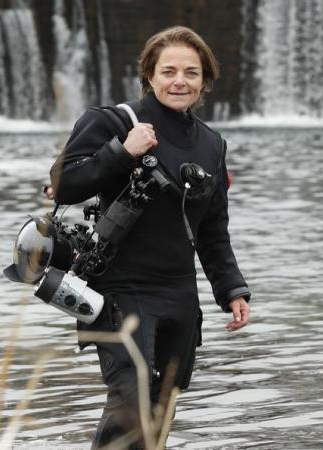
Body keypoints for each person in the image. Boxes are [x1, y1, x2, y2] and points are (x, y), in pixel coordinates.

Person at [49, 26, 250, 449]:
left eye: (192, 73)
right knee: (130, 400)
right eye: (169, 71)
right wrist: (123, 151)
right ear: (150, 76)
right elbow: (63, 184)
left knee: (163, 405)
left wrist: (231, 289)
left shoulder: (212, 145)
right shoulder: (113, 121)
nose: (180, 81)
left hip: (179, 293)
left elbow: (213, 229)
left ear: (205, 81)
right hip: (122, 288)